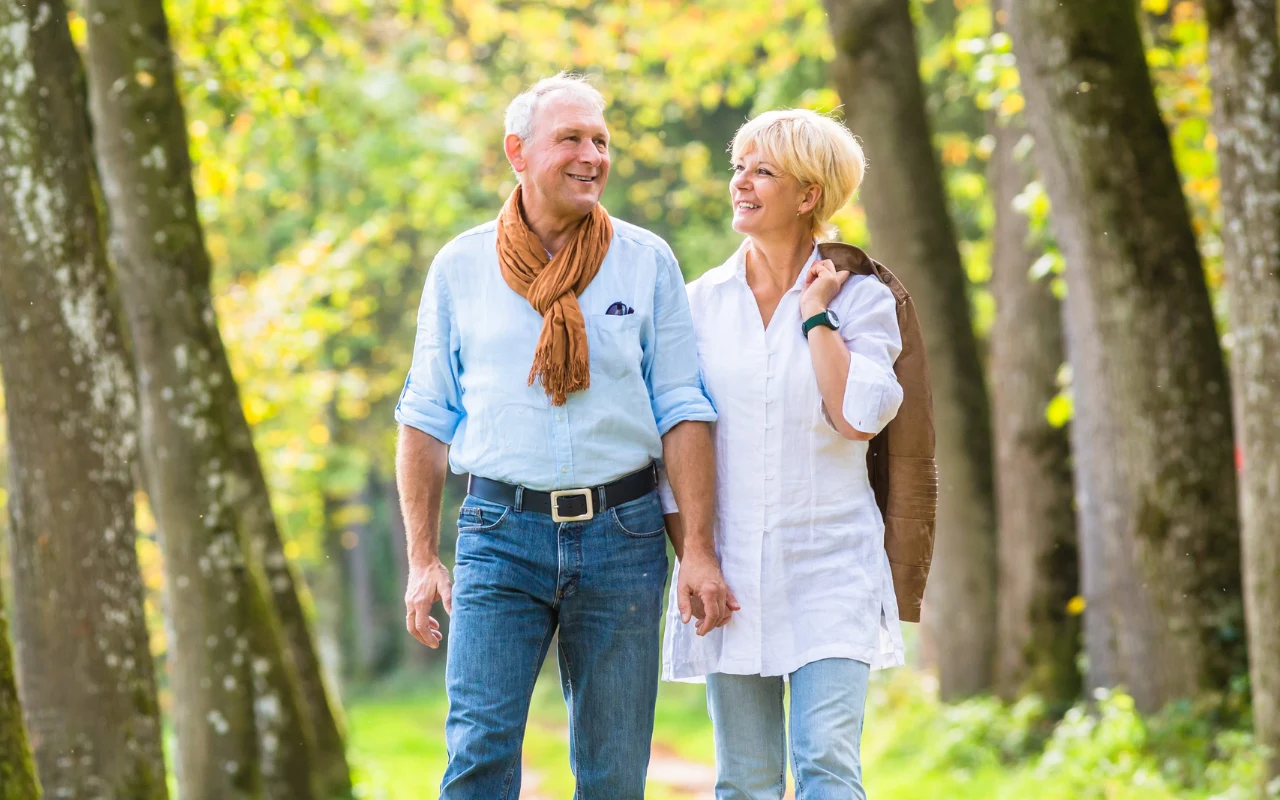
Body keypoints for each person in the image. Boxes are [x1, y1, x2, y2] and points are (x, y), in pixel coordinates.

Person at [393, 73, 736, 800]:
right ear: (517, 152)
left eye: (602, 141)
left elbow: (682, 407)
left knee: (613, 773)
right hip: (497, 532)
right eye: (572, 139)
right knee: (479, 756)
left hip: (625, 535)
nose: (592, 156)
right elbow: (426, 416)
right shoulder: (460, 267)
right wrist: (422, 559)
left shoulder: (647, 261)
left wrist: (698, 550)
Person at [660, 109, 906, 799]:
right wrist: (695, 556)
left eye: (762, 170)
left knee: (826, 763)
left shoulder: (862, 300)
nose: (741, 181)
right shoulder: (698, 304)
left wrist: (816, 317)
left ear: (808, 196)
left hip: (831, 566)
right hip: (729, 571)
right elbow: (677, 437)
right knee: (745, 779)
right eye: (739, 166)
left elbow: (855, 415)